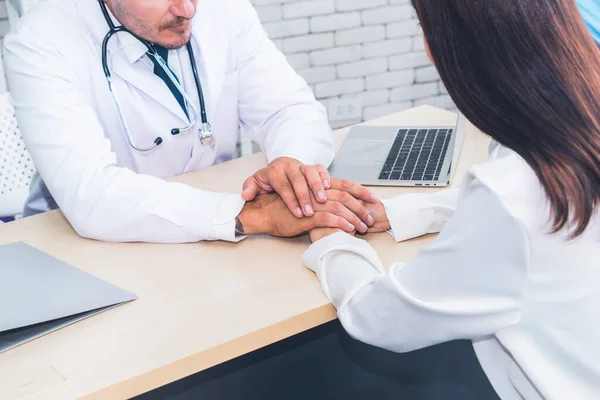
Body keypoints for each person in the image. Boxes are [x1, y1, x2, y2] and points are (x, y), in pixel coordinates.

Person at [303, 0, 600, 399]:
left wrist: (329, 240)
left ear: (455, 49)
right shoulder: (569, 140)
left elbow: (378, 317)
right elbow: (514, 211)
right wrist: (393, 212)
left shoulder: (510, 195)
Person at [3, 0, 376, 243]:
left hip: (205, 233)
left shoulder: (222, 9)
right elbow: (91, 195)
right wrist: (246, 213)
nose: (187, 9)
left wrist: (294, 171)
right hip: (83, 249)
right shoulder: (40, 40)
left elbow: (289, 108)